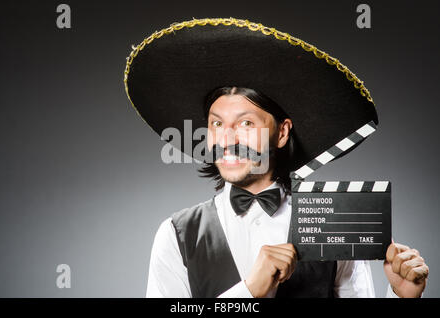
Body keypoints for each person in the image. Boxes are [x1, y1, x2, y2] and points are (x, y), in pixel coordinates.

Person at [123, 18, 429, 298]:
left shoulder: (331, 227)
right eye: (217, 124)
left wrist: (402, 296)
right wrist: (248, 291)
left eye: (245, 123)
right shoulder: (176, 234)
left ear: (281, 134)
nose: (227, 140)